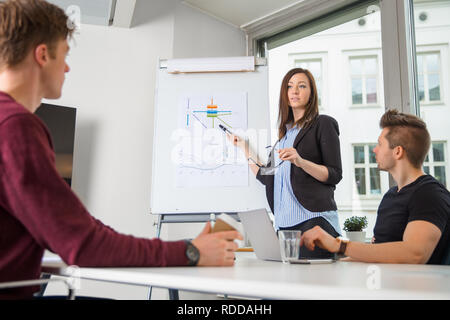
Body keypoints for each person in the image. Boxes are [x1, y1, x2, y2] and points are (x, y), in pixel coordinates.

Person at [0, 0, 242, 300]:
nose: (67, 67)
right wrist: (190, 252)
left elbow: (78, 227)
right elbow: (83, 246)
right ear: (42, 54)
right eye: (64, 55)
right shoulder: (16, 128)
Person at [300, 110, 450, 264]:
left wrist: (339, 245)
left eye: (380, 144)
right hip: (384, 283)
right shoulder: (391, 195)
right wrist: (332, 264)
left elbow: (415, 254)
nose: (375, 149)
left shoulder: (429, 194)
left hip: (409, 287)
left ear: (398, 151)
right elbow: (380, 252)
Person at [230, 68, 342, 259]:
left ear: (312, 93)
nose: (294, 91)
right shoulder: (283, 139)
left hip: (313, 222)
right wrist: (244, 148)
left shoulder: (323, 124)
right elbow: (266, 176)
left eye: (301, 86)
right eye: (289, 86)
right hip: (283, 226)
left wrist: (301, 161)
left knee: (311, 284)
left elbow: (334, 174)